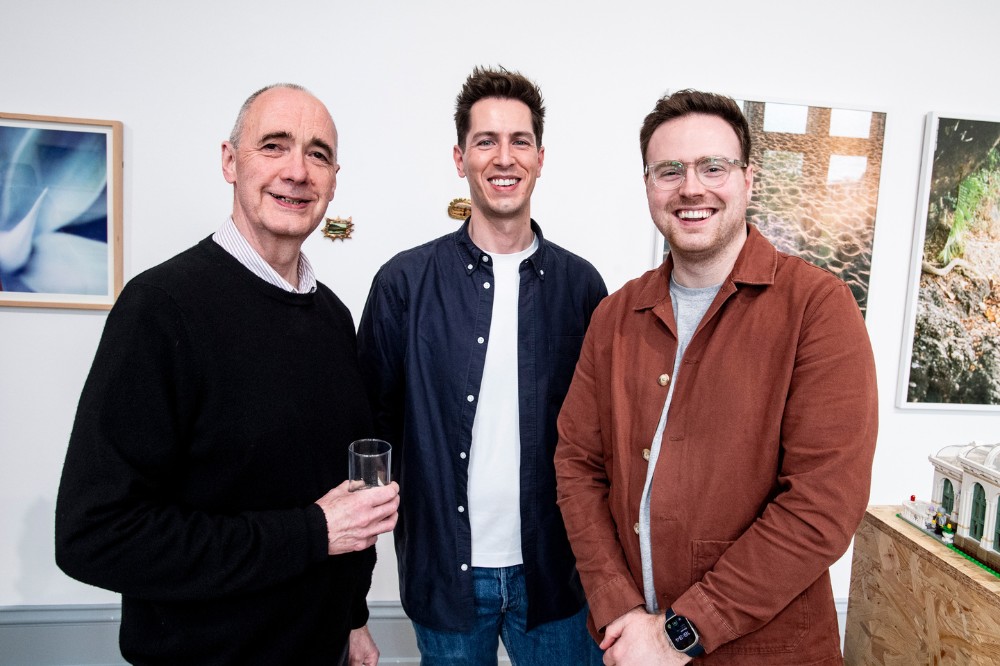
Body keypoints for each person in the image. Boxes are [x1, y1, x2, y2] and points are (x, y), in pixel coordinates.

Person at [55, 83, 400, 666]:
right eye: (274, 145)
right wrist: (309, 533)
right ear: (229, 160)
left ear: (334, 180)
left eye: (317, 154)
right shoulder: (160, 309)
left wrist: (352, 617)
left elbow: (335, 497)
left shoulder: (334, 319)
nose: (296, 171)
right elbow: (95, 535)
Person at [554, 89, 878, 665]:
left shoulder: (818, 308)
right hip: (631, 646)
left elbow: (822, 505)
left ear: (748, 179)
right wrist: (618, 608)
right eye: (669, 170)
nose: (691, 188)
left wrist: (681, 631)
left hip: (768, 652)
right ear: (649, 185)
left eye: (713, 167)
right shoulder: (615, 316)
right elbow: (578, 464)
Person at [357, 66, 607, 664]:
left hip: (556, 576)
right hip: (446, 578)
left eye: (520, 141)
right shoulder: (403, 284)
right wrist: (350, 600)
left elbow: (605, 444)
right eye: (486, 141)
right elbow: (369, 441)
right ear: (459, 155)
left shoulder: (582, 287)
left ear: (541, 158)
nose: (504, 157)